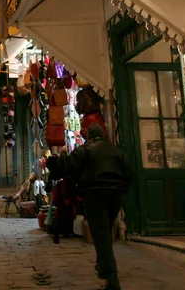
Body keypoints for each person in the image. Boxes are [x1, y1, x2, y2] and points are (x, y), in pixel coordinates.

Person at [46, 124, 133, 290]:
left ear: (89, 137)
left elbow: (67, 167)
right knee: (105, 231)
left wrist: (61, 155)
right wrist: (121, 190)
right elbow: (130, 174)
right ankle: (102, 266)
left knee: (101, 235)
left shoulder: (85, 150)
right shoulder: (118, 151)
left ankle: (111, 279)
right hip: (116, 196)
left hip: (95, 195)